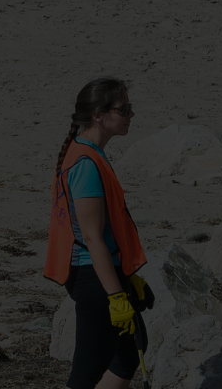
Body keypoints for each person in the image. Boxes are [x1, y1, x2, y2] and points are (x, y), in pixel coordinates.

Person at [44, 77, 150, 389]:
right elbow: (91, 237)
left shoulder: (87, 152)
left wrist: (128, 277)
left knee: (129, 352)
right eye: (124, 109)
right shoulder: (86, 164)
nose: (131, 115)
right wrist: (116, 295)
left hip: (101, 272)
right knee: (85, 377)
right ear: (98, 116)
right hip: (93, 279)